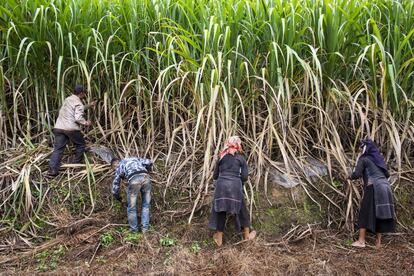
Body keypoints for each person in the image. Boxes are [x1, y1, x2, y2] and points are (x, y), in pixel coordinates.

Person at [208, 136, 256, 247]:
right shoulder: (241, 159)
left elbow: (215, 176)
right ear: (239, 146)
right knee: (242, 208)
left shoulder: (221, 157)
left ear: (227, 144)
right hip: (235, 187)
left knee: (221, 211)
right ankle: (246, 236)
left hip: (221, 188)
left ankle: (219, 240)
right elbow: (244, 178)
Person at [349, 138, 396, 249]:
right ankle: (378, 243)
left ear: (365, 149)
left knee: (364, 212)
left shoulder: (364, 159)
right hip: (385, 187)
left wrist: (348, 176)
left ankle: (361, 241)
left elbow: (357, 174)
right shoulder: (378, 159)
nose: (360, 151)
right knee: (379, 214)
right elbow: (387, 174)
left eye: (361, 149)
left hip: (373, 186)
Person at [48, 85, 96, 176]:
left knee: (58, 149)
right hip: (70, 128)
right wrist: (86, 123)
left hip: (59, 127)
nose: (84, 95)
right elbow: (78, 117)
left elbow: (74, 109)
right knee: (81, 145)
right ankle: (76, 166)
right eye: (84, 93)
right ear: (81, 93)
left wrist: (89, 105)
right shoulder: (78, 103)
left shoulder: (67, 99)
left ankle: (52, 170)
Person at [111, 156, 153, 233]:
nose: (115, 170)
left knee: (131, 207)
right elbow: (149, 162)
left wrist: (117, 197)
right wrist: (148, 170)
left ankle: (134, 231)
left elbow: (115, 185)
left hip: (134, 180)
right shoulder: (134, 158)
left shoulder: (120, 166)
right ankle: (145, 230)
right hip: (146, 178)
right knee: (146, 205)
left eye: (114, 168)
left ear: (115, 164)